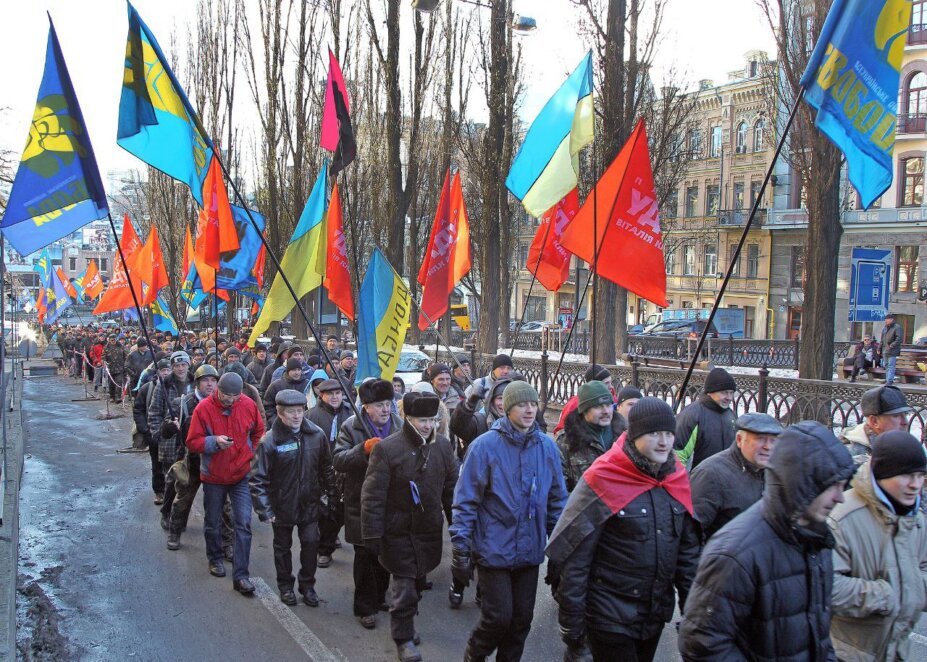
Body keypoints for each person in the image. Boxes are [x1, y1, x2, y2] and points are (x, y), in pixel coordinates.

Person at [677, 420, 857, 660]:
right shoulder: (736, 552)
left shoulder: (817, 540)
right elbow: (702, 642)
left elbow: (817, 631)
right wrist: (689, 585)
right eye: (831, 487)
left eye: (773, 440)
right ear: (804, 483)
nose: (840, 498)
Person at [548, 397, 701, 662]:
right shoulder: (605, 475)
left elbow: (687, 557)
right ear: (635, 435)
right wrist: (572, 626)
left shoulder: (675, 479)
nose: (664, 442)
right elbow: (578, 556)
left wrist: (695, 613)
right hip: (609, 615)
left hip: (653, 614)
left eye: (668, 433)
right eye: (654, 433)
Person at [451, 381, 568, 662]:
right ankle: (474, 655)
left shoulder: (547, 448)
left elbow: (557, 500)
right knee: (498, 618)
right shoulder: (484, 447)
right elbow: (466, 501)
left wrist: (561, 548)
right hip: (493, 548)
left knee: (521, 621)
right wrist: (461, 547)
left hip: (529, 551)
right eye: (520, 404)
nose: (528, 410)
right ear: (506, 408)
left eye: (532, 404)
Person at [361, 392, 458, 662]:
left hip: (428, 531)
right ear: (408, 418)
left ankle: (407, 625)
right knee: (403, 589)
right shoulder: (387, 449)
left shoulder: (442, 448)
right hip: (397, 531)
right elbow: (373, 495)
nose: (428, 426)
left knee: (416, 585)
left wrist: (457, 527)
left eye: (432, 420)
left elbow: (451, 490)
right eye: (421, 420)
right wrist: (372, 532)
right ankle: (403, 639)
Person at [828, 430, 927, 660]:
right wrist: (886, 595)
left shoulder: (918, 521)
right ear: (882, 474)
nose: (915, 485)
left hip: (896, 652)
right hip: (848, 654)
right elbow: (827, 586)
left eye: (920, 476)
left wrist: (911, 591)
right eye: (906, 476)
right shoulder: (843, 518)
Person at [250, 389, 336, 607]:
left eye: (300, 411)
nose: (297, 416)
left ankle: (307, 586)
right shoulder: (269, 441)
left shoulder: (316, 435)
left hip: (309, 503)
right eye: (291, 412)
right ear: (280, 413)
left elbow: (326, 467)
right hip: (282, 505)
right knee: (282, 547)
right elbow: (257, 478)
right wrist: (265, 510)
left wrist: (331, 495)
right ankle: (285, 587)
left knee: (310, 543)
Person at [186, 372, 265, 594]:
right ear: (218, 390)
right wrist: (213, 442)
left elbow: (259, 431)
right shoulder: (203, 409)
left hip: (242, 474)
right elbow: (192, 441)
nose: (230, 400)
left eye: (235, 396)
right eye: (226, 395)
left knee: (243, 523)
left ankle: (241, 575)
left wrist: (253, 454)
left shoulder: (248, 404)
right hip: (214, 475)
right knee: (213, 520)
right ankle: (215, 557)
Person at [333, 378, 400, 629]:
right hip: (360, 501)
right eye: (379, 405)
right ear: (366, 407)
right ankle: (364, 606)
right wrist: (363, 449)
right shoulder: (352, 427)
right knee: (365, 553)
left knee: (384, 552)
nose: (385, 409)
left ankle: (380, 595)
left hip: (390, 502)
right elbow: (338, 460)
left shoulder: (399, 425)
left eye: (388, 404)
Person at [160, 365, 226, 552]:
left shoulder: (221, 403)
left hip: (215, 460)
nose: (210, 384)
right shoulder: (181, 403)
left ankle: (225, 541)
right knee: (182, 499)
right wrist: (172, 426)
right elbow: (164, 432)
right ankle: (174, 532)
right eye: (206, 380)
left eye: (213, 380)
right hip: (190, 459)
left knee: (222, 504)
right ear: (197, 382)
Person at [689, 412, 783, 540]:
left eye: (773, 441)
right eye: (760, 439)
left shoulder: (775, 472)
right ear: (739, 440)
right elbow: (691, 535)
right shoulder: (710, 474)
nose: (768, 447)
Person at [307, 379, 353, 568]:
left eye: (338, 393)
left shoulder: (351, 414)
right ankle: (324, 549)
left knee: (338, 511)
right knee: (324, 512)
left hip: (345, 470)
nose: (335, 397)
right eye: (330, 394)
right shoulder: (311, 416)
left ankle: (329, 538)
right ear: (321, 395)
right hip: (321, 470)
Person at [148, 351, 194, 530]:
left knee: (188, 483)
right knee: (171, 480)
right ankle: (166, 513)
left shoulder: (195, 382)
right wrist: (158, 434)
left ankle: (180, 518)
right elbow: (154, 412)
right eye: (176, 366)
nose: (180, 369)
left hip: (190, 438)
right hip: (170, 439)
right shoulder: (164, 386)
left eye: (183, 365)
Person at [556, 380, 625, 492]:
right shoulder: (567, 441)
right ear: (584, 411)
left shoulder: (625, 437)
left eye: (608, 405)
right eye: (598, 407)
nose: (606, 411)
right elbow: (559, 490)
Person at [674, 367, 737, 470]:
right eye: (724, 392)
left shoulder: (731, 416)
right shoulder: (692, 416)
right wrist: (683, 483)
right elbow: (678, 456)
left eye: (731, 393)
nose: (729, 397)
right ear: (710, 392)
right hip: (698, 482)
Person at [839, 384, 911, 464]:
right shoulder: (851, 455)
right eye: (896, 416)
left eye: (905, 414)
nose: (905, 422)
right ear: (874, 421)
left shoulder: (904, 445)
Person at [134, 358, 171, 504]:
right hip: (154, 434)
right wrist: (145, 430)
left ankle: (172, 492)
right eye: (163, 370)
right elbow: (138, 410)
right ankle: (159, 492)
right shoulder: (147, 388)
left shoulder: (174, 387)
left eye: (169, 370)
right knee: (157, 465)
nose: (166, 373)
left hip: (172, 434)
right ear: (158, 372)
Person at [554, 364, 618, 435]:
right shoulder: (575, 403)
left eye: (611, 382)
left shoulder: (613, 398)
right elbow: (560, 432)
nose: (611, 387)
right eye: (606, 383)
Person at [263, 358, 309, 424]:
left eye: (299, 370)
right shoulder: (276, 386)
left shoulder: (307, 385)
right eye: (294, 370)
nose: (297, 373)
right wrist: (276, 422)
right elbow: (268, 407)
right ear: (288, 371)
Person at [880, 312, 902, 385]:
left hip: (892, 350)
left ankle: (889, 380)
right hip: (885, 350)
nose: (885, 321)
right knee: (885, 365)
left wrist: (891, 346)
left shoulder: (897, 327)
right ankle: (887, 379)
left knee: (891, 365)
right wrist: (879, 348)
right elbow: (882, 339)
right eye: (885, 319)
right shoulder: (885, 328)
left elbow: (899, 339)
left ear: (891, 319)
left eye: (887, 319)